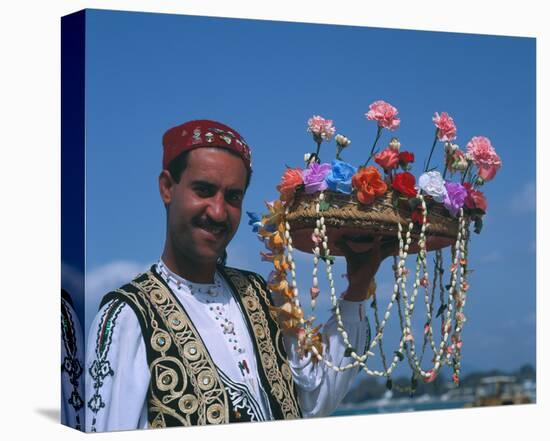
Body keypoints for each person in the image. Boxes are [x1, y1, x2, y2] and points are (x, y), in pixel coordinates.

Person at [85, 119, 395, 432]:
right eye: (204, 190)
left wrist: (357, 286)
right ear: (168, 187)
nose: (218, 212)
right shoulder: (128, 317)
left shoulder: (261, 294)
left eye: (233, 197)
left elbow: (312, 402)